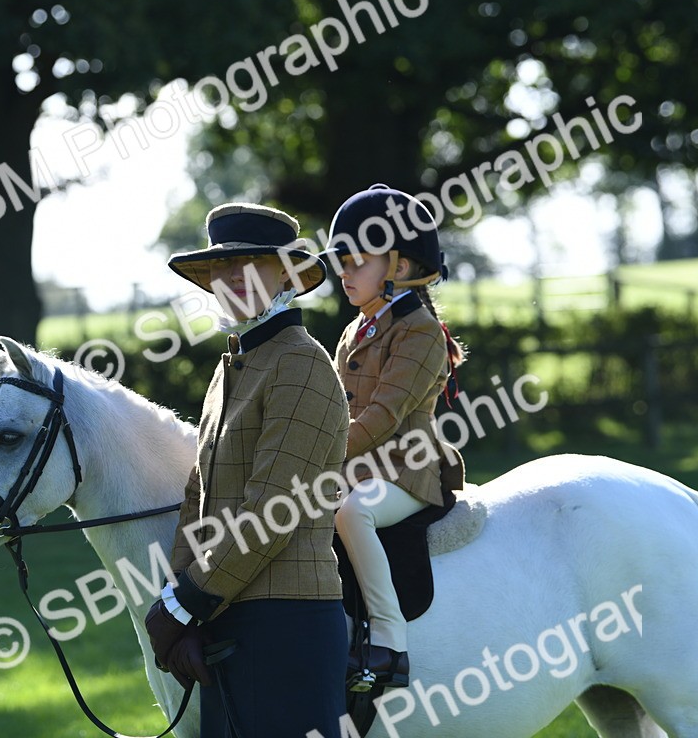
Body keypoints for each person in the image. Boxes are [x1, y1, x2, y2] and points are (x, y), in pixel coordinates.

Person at [145, 202, 350, 738]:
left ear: (284, 271)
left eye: (251, 264)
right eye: (221, 268)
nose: (232, 278)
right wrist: (187, 607)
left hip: (288, 624)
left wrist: (184, 603)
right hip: (228, 615)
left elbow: (272, 511)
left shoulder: (300, 362)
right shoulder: (231, 364)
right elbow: (198, 497)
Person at [326, 183, 466, 692]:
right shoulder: (354, 330)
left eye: (357, 260)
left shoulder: (421, 332)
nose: (344, 271)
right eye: (341, 259)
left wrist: (322, 456)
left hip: (405, 473)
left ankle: (389, 641)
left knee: (351, 511)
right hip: (354, 466)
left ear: (400, 268)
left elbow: (384, 416)